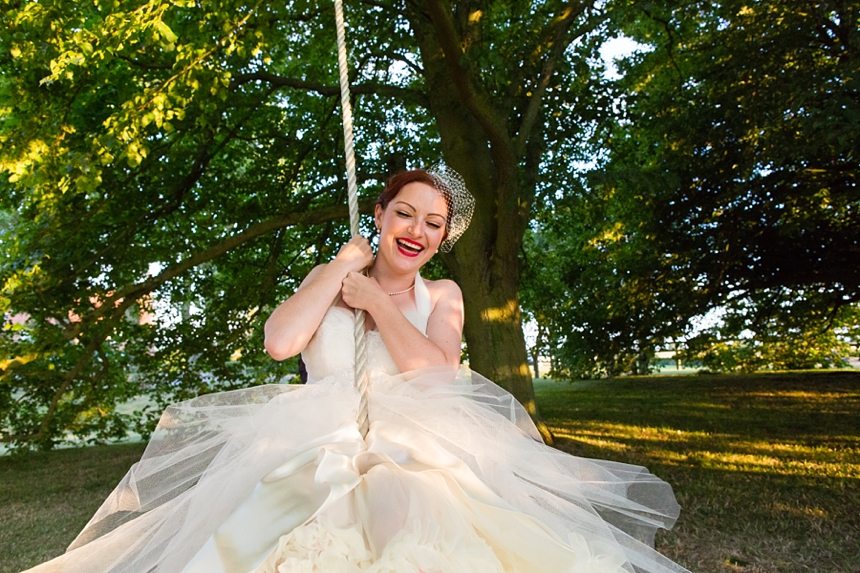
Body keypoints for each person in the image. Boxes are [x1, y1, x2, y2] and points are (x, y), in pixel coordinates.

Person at [25, 165, 690, 572]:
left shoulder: (444, 295)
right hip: (315, 437)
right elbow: (281, 342)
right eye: (405, 213)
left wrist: (377, 302)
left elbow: (436, 372)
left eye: (434, 223)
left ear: (442, 237)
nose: (416, 230)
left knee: (425, 525)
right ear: (379, 215)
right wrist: (341, 271)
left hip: (416, 442)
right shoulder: (332, 274)